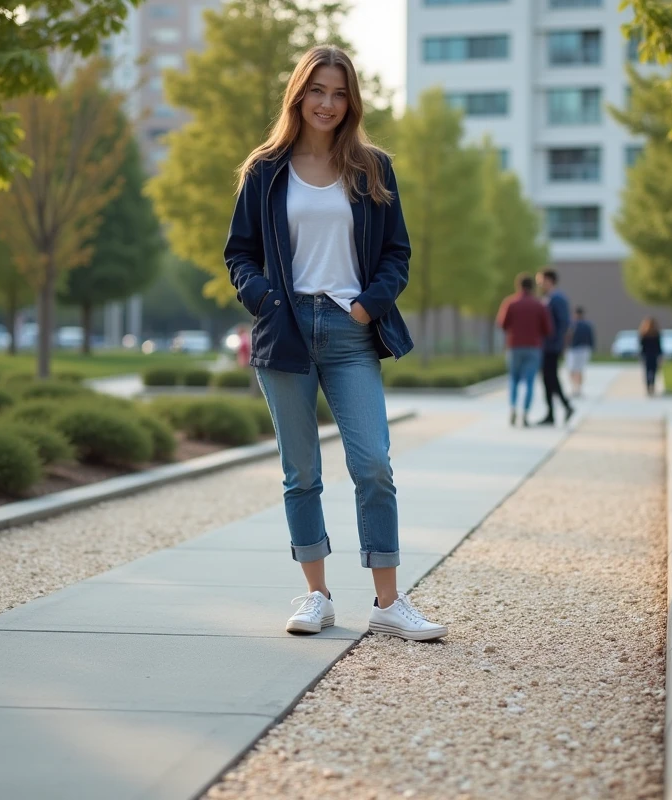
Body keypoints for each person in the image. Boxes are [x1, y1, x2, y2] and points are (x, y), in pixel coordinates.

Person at [224, 45, 447, 641]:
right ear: (299, 93)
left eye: (339, 92)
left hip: (350, 331)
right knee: (301, 474)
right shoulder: (265, 169)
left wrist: (366, 305)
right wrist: (266, 298)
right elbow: (239, 253)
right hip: (285, 330)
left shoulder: (371, 168)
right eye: (317, 90)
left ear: (352, 101)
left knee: (373, 464)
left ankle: (388, 601)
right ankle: (316, 595)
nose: (327, 103)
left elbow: (397, 252)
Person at [496, 274, 552, 426]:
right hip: (533, 347)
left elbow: (502, 324)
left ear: (518, 286)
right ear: (532, 286)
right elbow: (547, 329)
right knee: (530, 381)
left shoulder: (510, 303)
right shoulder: (539, 305)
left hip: (514, 346)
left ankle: (513, 407)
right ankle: (525, 414)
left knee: (513, 379)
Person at [535, 269, 574, 425]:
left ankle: (564, 406)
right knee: (548, 379)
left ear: (549, 280)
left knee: (550, 377)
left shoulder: (557, 299)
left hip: (552, 346)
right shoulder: (549, 298)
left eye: (541, 281)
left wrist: (558, 343)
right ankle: (553, 411)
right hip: (547, 345)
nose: (539, 284)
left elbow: (564, 323)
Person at [567, 306, 595, 398]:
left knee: (572, 370)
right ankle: (579, 389)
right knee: (580, 370)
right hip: (585, 349)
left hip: (574, 349)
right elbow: (591, 339)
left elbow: (568, 337)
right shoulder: (588, 325)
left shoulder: (573, 325)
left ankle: (574, 388)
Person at [640, 317, 663, 396]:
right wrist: (660, 355)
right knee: (653, 371)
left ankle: (648, 386)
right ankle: (652, 385)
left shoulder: (644, 333)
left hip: (647, 355)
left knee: (647, 371)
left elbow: (641, 346)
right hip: (653, 355)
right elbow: (659, 346)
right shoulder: (655, 333)